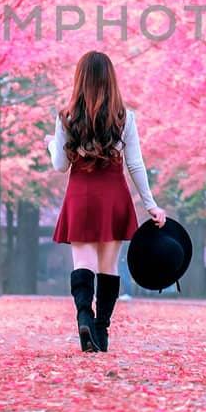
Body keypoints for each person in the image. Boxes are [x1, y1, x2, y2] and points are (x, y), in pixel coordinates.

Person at [48, 50, 166, 353]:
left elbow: (60, 165)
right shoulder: (124, 117)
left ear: (80, 79)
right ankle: (101, 330)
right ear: (110, 79)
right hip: (113, 195)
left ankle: (84, 316)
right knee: (108, 265)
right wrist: (151, 204)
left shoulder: (67, 117)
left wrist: (51, 144)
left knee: (83, 262)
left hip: (80, 195)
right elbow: (135, 164)